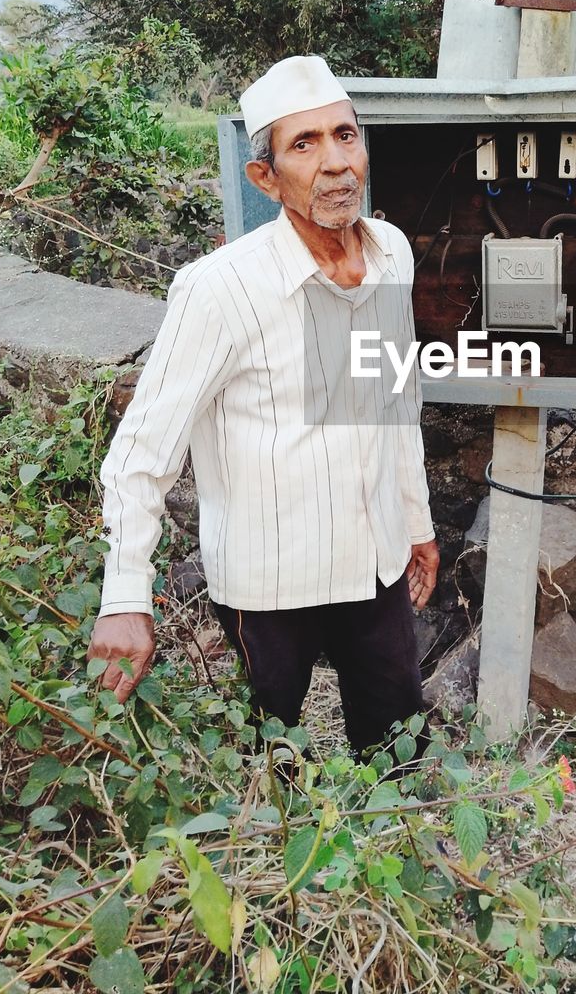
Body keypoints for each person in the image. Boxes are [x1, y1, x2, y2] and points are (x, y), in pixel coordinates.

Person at [86, 55, 439, 759]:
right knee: (267, 754)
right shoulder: (219, 289)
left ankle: (392, 856)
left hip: (375, 561)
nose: (335, 162)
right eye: (304, 145)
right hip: (270, 577)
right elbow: (142, 453)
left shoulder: (392, 254)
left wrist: (416, 523)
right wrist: (125, 597)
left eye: (345, 135)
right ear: (265, 177)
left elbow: (396, 401)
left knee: (398, 739)